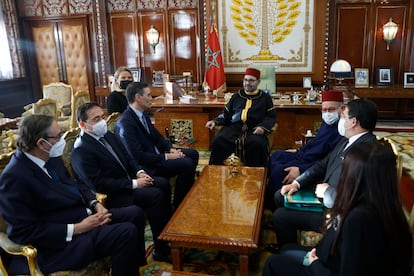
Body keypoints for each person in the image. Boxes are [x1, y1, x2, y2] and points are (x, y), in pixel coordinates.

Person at [0, 114, 144, 275]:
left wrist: (95, 204)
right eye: (58, 136)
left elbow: (75, 184)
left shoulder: (51, 157)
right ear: (41, 143)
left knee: (135, 213)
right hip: (58, 246)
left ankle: (132, 266)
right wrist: (77, 228)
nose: (62, 140)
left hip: (83, 217)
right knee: (126, 232)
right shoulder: (14, 177)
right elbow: (23, 232)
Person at [263, 142, 413, 276]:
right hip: (328, 258)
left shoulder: (358, 219)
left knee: (273, 263)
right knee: (287, 249)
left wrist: (315, 263)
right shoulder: (386, 204)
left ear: (355, 176)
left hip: (325, 267)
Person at [266, 99, 378, 252]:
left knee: (280, 216)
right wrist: (297, 183)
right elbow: (322, 165)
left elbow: (355, 197)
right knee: (281, 195)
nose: (341, 120)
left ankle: (290, 253)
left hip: (336, 211)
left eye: (343, 116)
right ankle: (289, 249)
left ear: (354, 122)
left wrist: (327, 192)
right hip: (325, 194)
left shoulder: (366, 152)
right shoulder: (347, 140)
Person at [71, 102, 173, 262]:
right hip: (114, 194)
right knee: (155, 195)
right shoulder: (81, 150)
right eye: (96, 119)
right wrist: (134, 184)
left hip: (128, 180)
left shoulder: (107, 135)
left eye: (102, 117)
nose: (102, 122)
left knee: (162, 183)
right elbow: (99, 184)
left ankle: (168, 234)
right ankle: (160, 249)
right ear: (83, 125)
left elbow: (127, 157)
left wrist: (140, 172)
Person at [115, 81, 199, 210]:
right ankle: (179, 205)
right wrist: (167, 157)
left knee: (193, 153)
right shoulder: (126, 123)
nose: (151, 99)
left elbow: (157, 138)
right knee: (186, 163)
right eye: (148, 95)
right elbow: (138, 156)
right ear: (138, 97)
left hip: (156, 156)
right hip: (148, 164)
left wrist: (171, 150)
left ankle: (182, 197)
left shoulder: (142, 114)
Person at [266, 91, 343, 210]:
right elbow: (314, 142)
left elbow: (327, 160)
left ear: (341, 109)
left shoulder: (341, 130)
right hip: (303, 155)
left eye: (331, 109)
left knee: (278, 172)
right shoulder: (326, 124)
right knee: (276, 155)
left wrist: (301, 170)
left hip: (311, 163)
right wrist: (298, 150)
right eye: (324, 110)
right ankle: (264, 193)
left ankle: (272, 207)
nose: (327, 113)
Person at [205, 67, 276, 167]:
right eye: (246, 80)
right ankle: (218, 173)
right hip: (234, 128)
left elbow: (271, 116)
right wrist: (215, 121)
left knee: (258, 144)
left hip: (254, 129)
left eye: (251, 80)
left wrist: (262, 127)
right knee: (218, 140)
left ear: (258, 82)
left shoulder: (265, 98)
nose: (247, 83)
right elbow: (225, 114)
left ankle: (257, 176)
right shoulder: (236, 96)